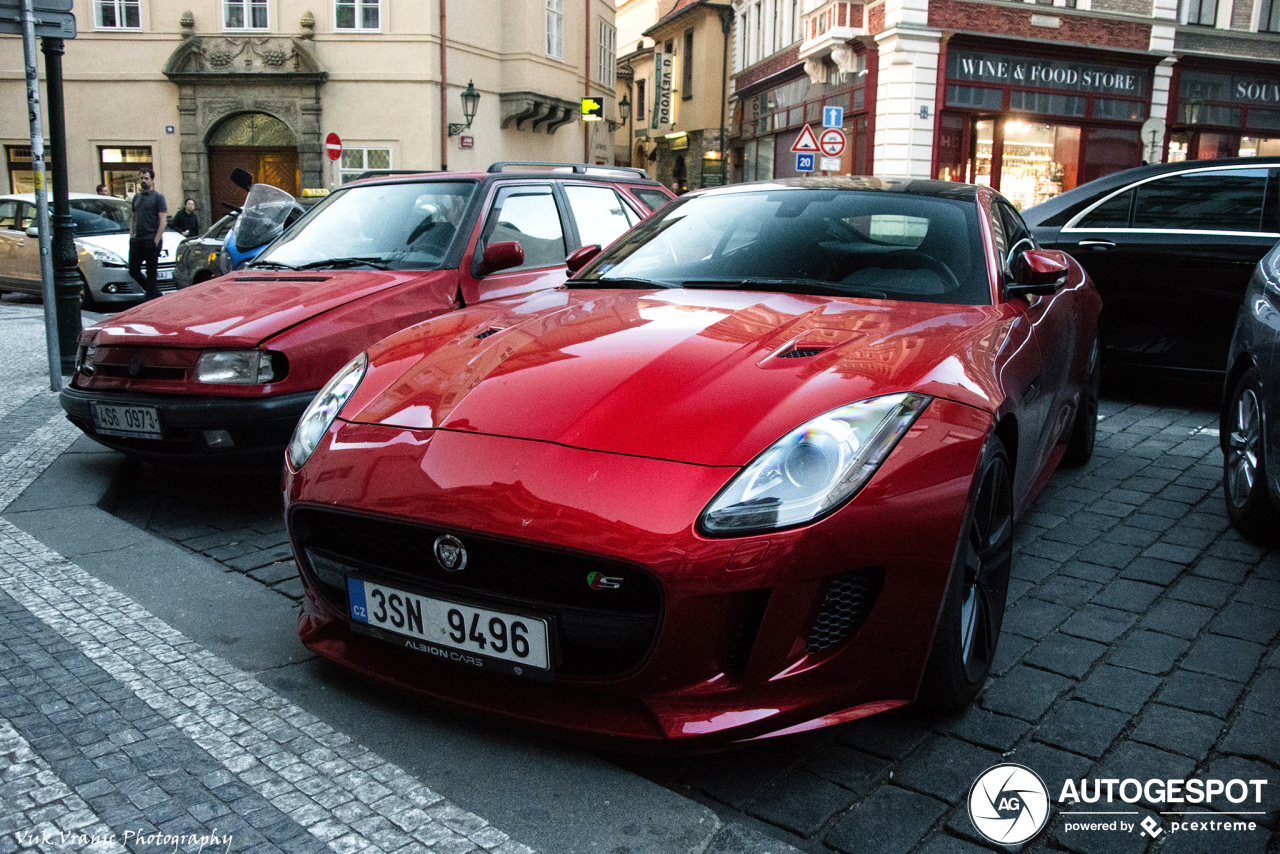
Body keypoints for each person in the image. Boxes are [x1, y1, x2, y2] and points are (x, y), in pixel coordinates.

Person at [128, 168, 168, 301]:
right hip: (138, 240)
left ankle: (150, 297)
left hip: (151, 239)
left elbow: (163, 220)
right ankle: (155, 292)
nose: (143, 181)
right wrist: (131, 236)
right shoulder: (136, 198)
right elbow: (133, 218)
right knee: (133, 269)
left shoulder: (158, 197)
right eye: (141, 178)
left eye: (146, 178)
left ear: (152, 180)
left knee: (151, 271)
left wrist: (156, 239)